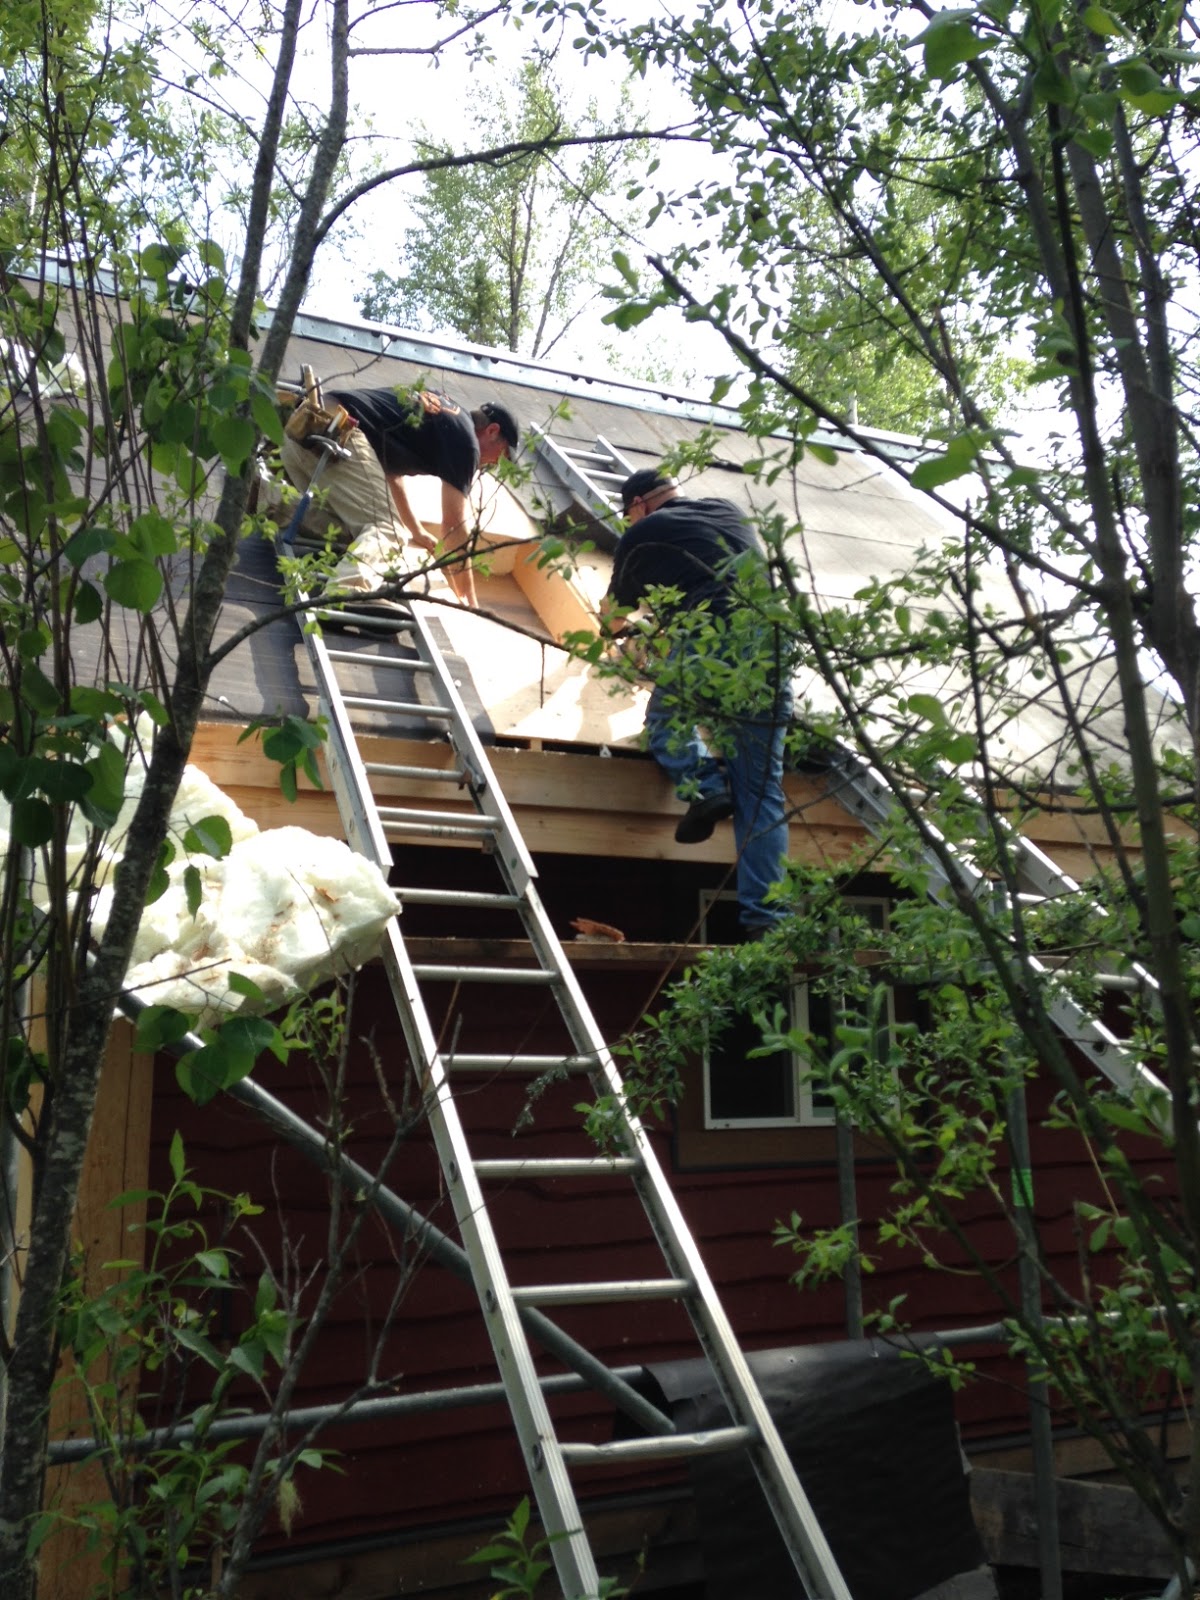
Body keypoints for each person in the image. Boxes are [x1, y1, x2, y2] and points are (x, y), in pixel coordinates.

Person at [604, 468, 794, 938]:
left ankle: (706, 785)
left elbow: (611, 618)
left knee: (664, 723)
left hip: (717, 643)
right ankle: (766, 920)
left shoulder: (642, 535)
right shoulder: (728, 512)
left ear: (639, 506)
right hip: (771, 645)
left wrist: (632, 642)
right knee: (762, 792)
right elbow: (710, 581)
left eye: (629, 516)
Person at [280, 384, 520, 607]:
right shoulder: (467, 444)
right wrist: (469, 600)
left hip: (304, 431)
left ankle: (265, 500)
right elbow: (454, 528)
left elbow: (392, 476)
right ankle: (344, 594)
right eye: (501, 456)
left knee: (348, 532)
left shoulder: (447, 420)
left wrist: (415, 529)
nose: (493, 464)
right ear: (492, 430)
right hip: (336, 434)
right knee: (388, 531)